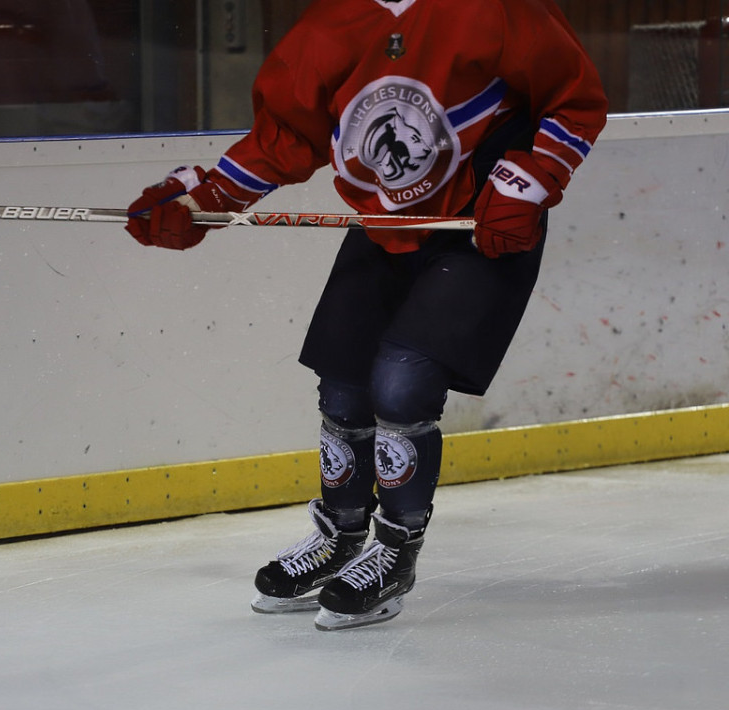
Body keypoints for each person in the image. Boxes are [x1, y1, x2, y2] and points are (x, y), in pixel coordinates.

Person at [125, 0, 608, 630]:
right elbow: (290, 134)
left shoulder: (496, 8)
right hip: (385, 227)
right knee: (345, 387)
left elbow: (574, 97)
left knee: (402, 382)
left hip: (481, 227)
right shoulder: (333, 20)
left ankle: (394, 552)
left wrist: (532, 177)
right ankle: (340, 537)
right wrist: (205, 198)